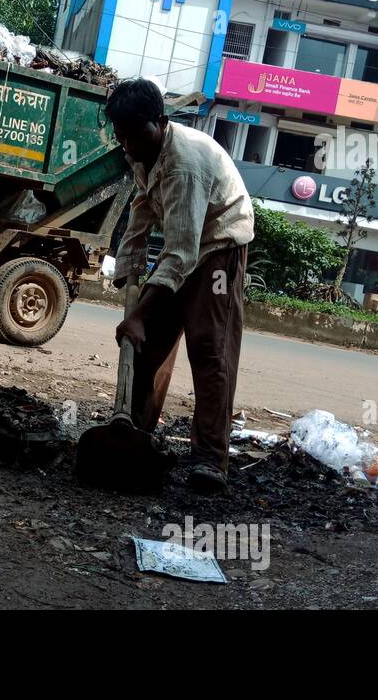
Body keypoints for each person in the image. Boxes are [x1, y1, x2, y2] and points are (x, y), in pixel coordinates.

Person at [106, 79, 254, 494]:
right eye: (121, 136)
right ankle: (132, 435)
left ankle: (211, 460)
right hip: (187, 246)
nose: (128, 144)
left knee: (210, 350)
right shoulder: (140, 149)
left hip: (220, 246)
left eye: (135, 134)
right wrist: (128, 267)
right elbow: (141, 207)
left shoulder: (183, 164)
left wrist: (137, 314)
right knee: (149, 344)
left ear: (160, 122)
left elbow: (182, 255)